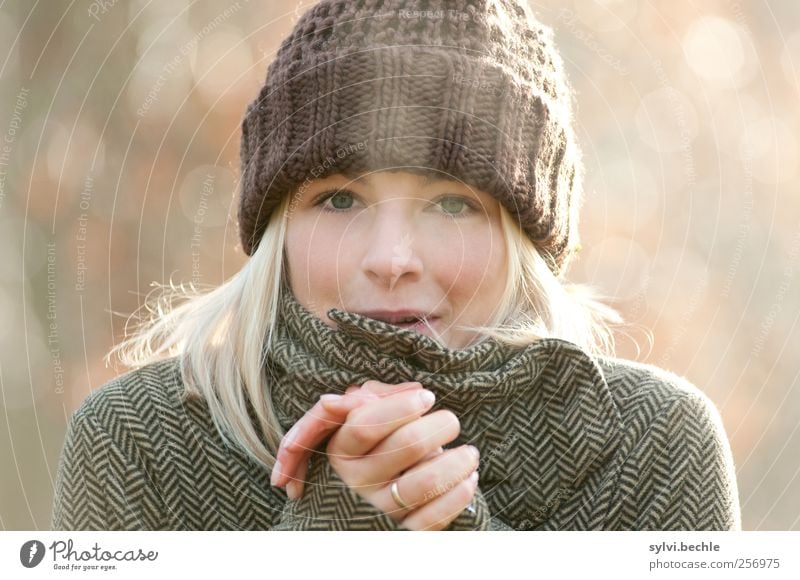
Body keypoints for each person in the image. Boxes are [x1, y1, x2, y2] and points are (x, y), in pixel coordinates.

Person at [51, 0, 742, 531]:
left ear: (522, 234)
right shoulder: (138, 438)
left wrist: (449, 536)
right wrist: (336, 525)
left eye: (451, 203)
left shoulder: (654, 441)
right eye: (340, 197)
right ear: (278, 228)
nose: (389, 260)